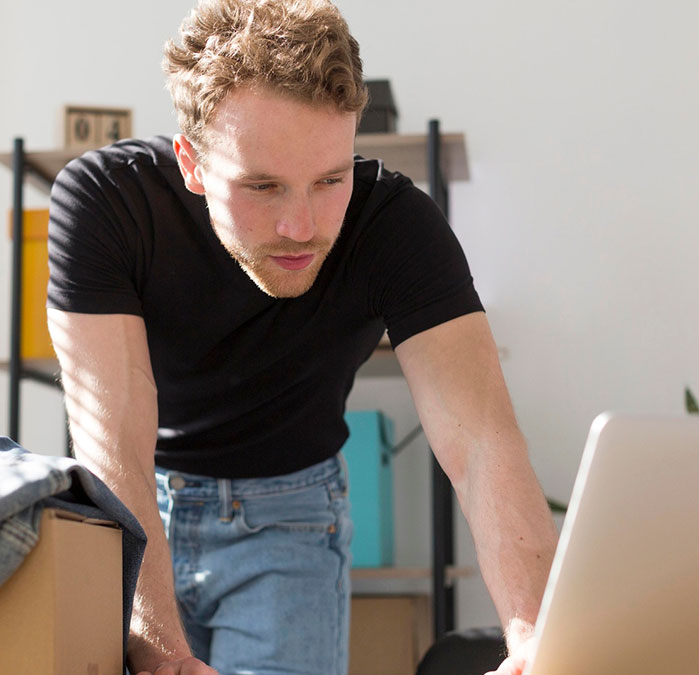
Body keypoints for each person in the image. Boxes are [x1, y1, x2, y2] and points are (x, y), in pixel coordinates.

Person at [47, 1, 558, 673]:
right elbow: (113, 439)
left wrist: (535, 638)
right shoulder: (104, 204)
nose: (301, 225)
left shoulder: (397, 226)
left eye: (330, 179)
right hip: (138, 506)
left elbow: (483, 441)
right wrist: (161, 645)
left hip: (293, 515)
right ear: (193, 164)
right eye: (263, 186)